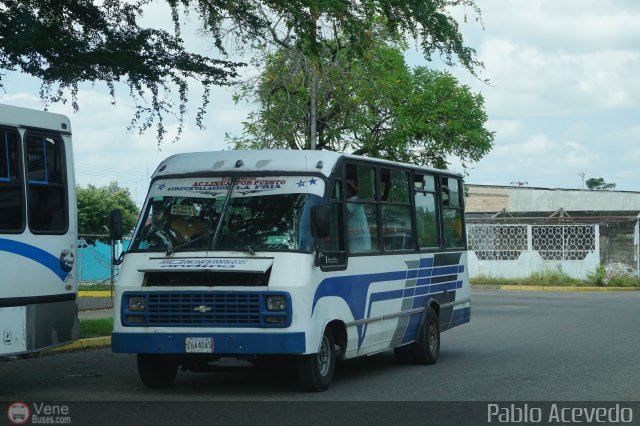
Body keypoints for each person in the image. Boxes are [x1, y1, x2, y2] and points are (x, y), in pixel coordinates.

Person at [345, 178, 371, 252]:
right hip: (361, 241)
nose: (344, 192)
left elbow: (340, 213)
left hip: (358, 244)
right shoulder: (354, 201)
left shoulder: (353, 200)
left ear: (351, 191)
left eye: (347, 189)